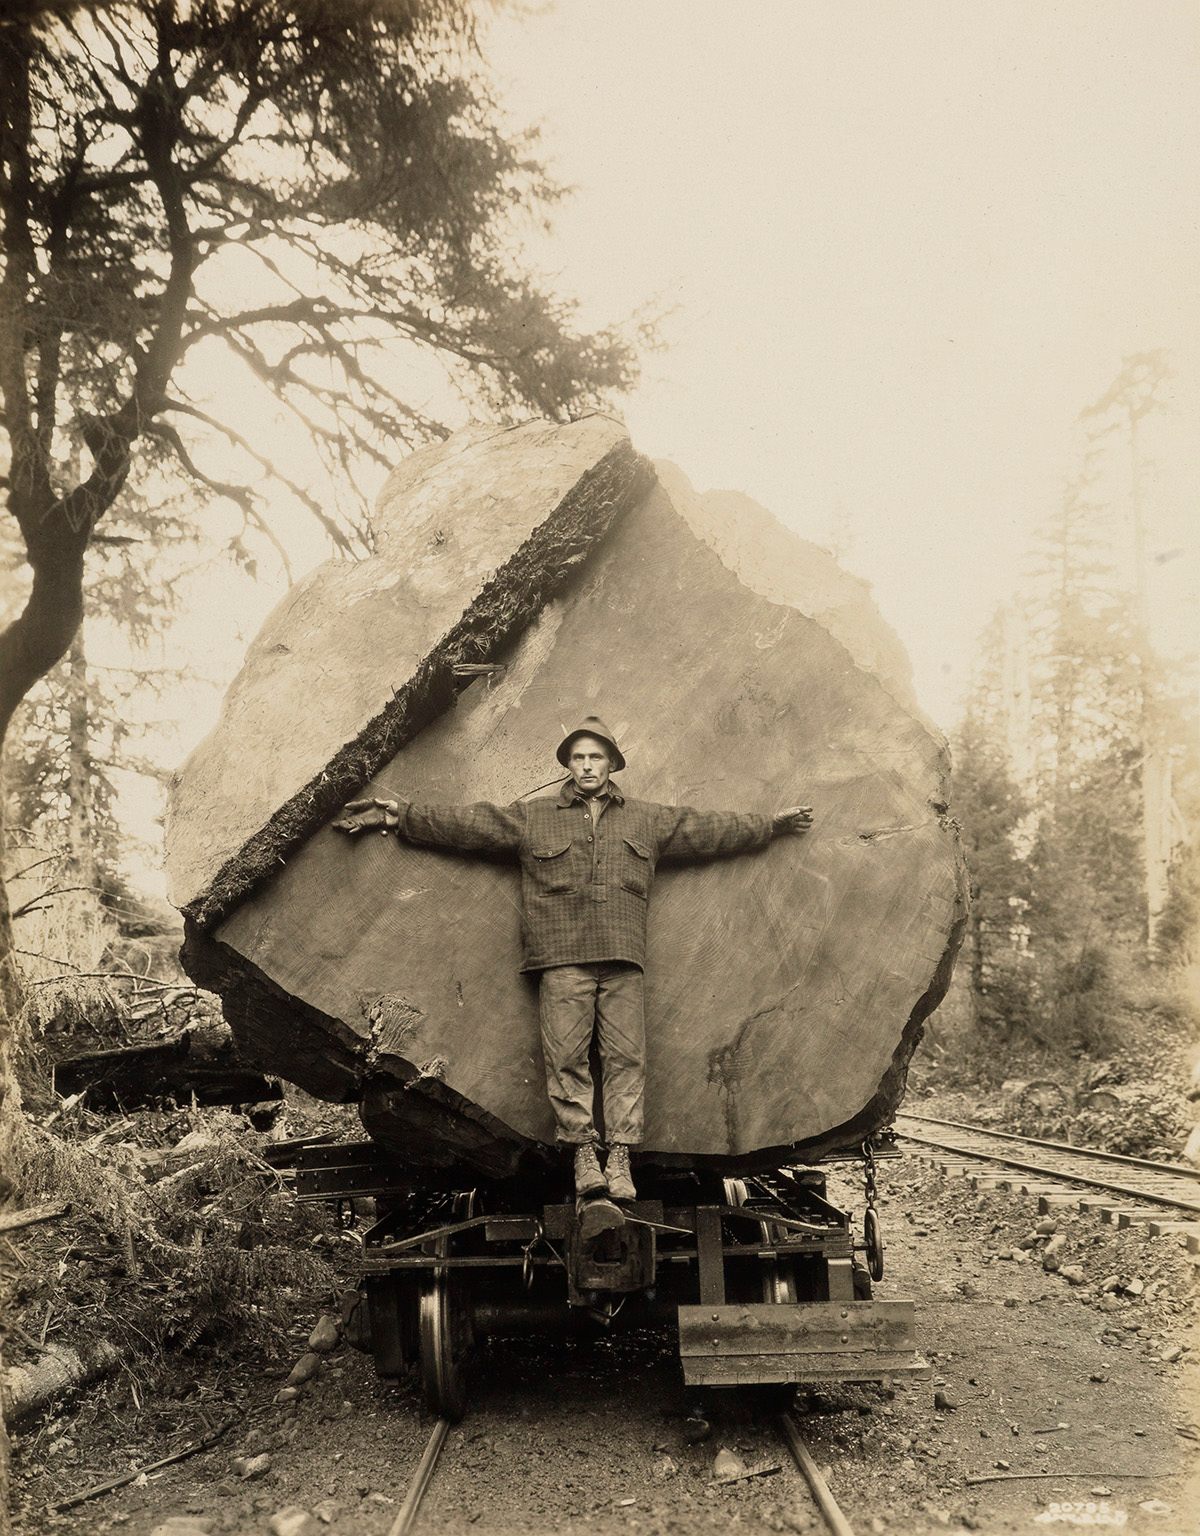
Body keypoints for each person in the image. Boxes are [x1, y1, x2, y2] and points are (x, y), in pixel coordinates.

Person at [334, 716, 812, 1206]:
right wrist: (403, 816)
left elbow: (708, 828)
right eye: (578, 757)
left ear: (612, 764)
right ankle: (585, 1155)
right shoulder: (534, 817)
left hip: (624, 958)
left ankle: (620, 1157)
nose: (587, 766)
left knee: (627, 1059)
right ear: (568, 764)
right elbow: (471, 825)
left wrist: (770, 826)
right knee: (567, 1060)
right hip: (561, 960)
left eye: (596, 757)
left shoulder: (647, 819)